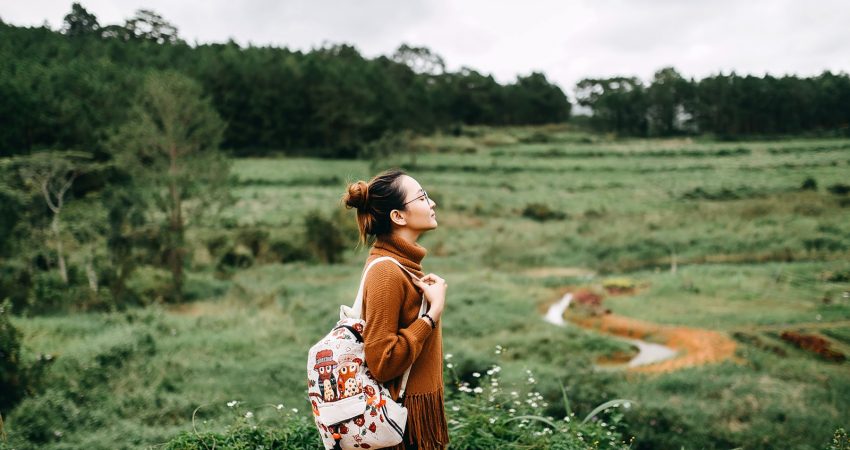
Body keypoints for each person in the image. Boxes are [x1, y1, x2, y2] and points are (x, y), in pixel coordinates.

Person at [342, 168, 449, 450]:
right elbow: (382, 361)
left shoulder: (401, 265)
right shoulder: (387, 273)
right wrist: (431, 314)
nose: (432, 203)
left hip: (411, 419)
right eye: (423, 197)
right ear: (398, 216)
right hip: (402, 427)